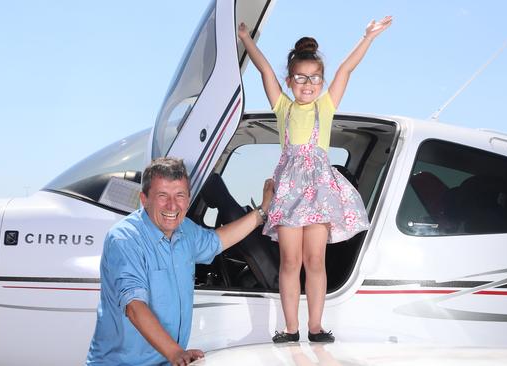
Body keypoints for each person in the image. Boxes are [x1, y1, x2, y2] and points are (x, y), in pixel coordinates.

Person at [238, 16, 392, 343]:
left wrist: (368, 37)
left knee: (315, 260)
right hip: (291, 192)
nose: (308, 84)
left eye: (314, 78)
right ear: (290, 80)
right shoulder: (283, 107)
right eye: (300, 78)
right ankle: (291, 328)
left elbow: (346, 69)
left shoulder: (326, 105)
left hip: (320, 191)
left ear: (321, 81)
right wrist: (246, 38)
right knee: (290, 261)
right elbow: (265, 70)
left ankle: (316, 326)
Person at [86, 157, 274, 366]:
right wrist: (175, 352)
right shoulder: (125, 239)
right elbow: (135, 307)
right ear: (144, 199)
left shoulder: (186, 230)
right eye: (162, 196)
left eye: (180, 196)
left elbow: (218, 240)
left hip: (166, 361)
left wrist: (262, 212)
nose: (172, 205)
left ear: (188, 198)